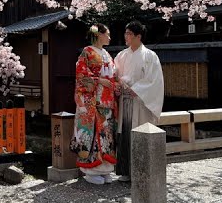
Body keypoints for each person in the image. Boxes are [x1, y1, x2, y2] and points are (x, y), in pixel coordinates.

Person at [113, 20, 164, 182]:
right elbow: (115, 74)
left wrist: (136, 89)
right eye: (125, 33)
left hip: (141, 102)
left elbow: (154, 80)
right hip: (125, 100)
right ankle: (126, 172)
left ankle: (142, 172)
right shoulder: (121, 55)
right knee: (125, 135)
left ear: (138, 36)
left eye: (129, 34)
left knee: (140, 135)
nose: (126, 37)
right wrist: (117, 84)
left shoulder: (149, 56)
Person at [70, 23, 120, 185]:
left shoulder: (106, 53)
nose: (110, 37)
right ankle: (90, 171)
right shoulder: (87, 52)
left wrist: (115, 84)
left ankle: (105, 169)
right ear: (99, 35)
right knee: (92, 134)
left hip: (107, 101)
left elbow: (113, 75)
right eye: (108, 34)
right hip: (92, 101)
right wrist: (100, 80)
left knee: (107, 134)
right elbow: (82, 75)